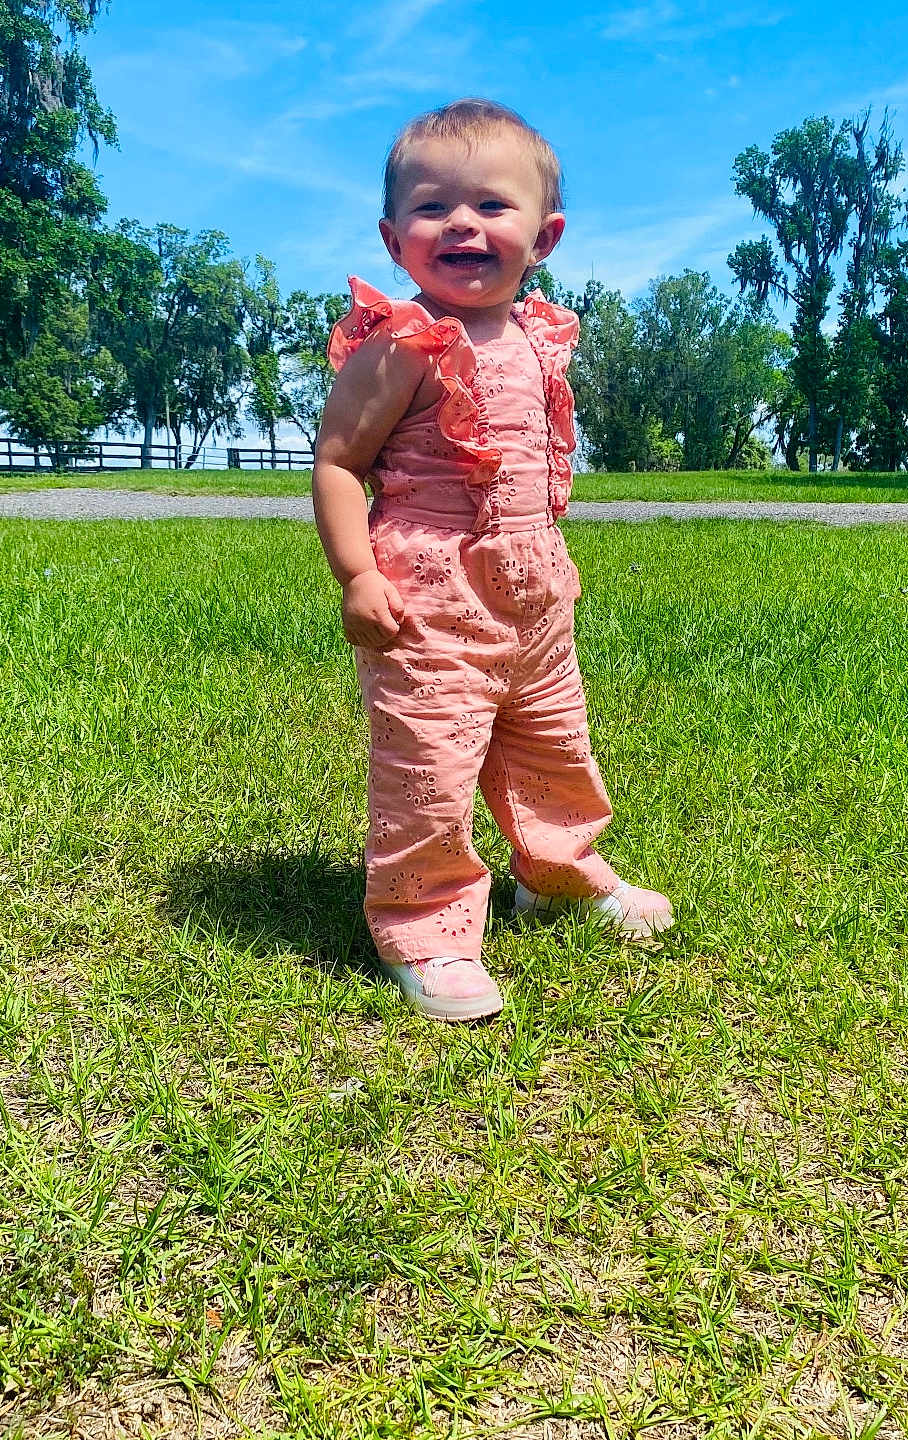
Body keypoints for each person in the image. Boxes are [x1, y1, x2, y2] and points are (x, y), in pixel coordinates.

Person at [312, 98, 672, 1022]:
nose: (463, 224)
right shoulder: (402, 345)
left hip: (535, 599)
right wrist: (357, 575)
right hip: (428, 597)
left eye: (492, 207)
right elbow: (341, 463)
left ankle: (557, 872)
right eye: (434, 209)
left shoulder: (537, 336)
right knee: (428, 769)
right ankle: (426, 926)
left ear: (544, 236)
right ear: (396, 240)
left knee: (553, 749)